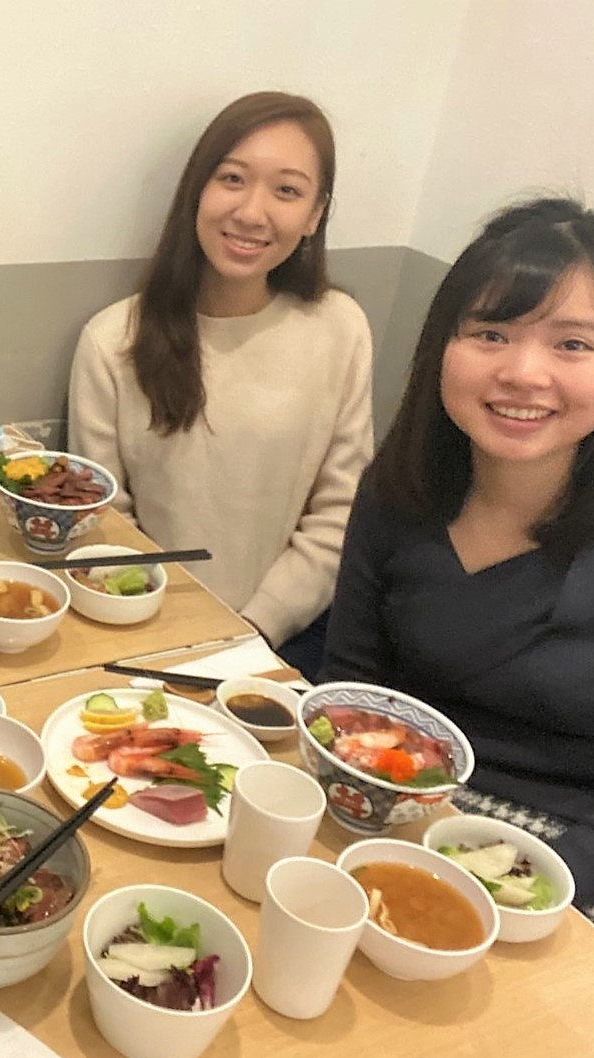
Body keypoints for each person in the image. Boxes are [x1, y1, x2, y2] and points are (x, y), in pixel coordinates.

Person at [321, 197, 594, 987]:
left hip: (593, 859)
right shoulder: (396, 490)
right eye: (490, 332)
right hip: (409, 806)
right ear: (441, 347)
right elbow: (352, 691)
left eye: (572, 343)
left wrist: (502, 888)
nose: (523, 372)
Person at [68, 91, 373, 677]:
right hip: (145, 636)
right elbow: (108, 523)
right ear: (197, 191)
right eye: (233, 179)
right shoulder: (112, 341)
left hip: (284, 643)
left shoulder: (340, 328)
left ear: (315, 214)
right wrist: (182, 637)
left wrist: (252, 631)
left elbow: (342, 510)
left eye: (287, 190)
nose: (253, 212)